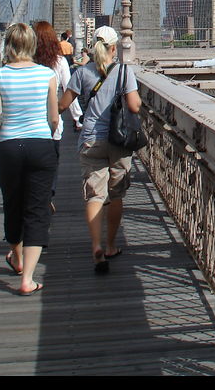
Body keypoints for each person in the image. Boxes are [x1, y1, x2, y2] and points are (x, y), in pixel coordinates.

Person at [59, 26, 140, 274]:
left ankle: (95, 246)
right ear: (114, 48)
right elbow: (135, 106)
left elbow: (63, 105)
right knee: (115, 195)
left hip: (91, 139)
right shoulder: (125, 72)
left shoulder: (82, 73)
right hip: (118, 141)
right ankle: (111, 245)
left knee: (95, 195)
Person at [0, 23, 58, 296]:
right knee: (37, 209)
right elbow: (54, 117)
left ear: (8, 44)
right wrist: (46, 136)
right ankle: (27, 278)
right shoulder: (47, 74)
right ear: (32, 45)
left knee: (13, 204)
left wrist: (5, 137)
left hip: (9, 146)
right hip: (41, 144)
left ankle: (15, 258)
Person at [32, 21, 82, 210]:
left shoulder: (27, 62)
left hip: (28, 124)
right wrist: (78, 118)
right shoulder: (60, 62)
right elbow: (70, 91)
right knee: (50, 165)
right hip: (52, 123)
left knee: (32, 167)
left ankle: (35, 197)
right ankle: (47, 196)